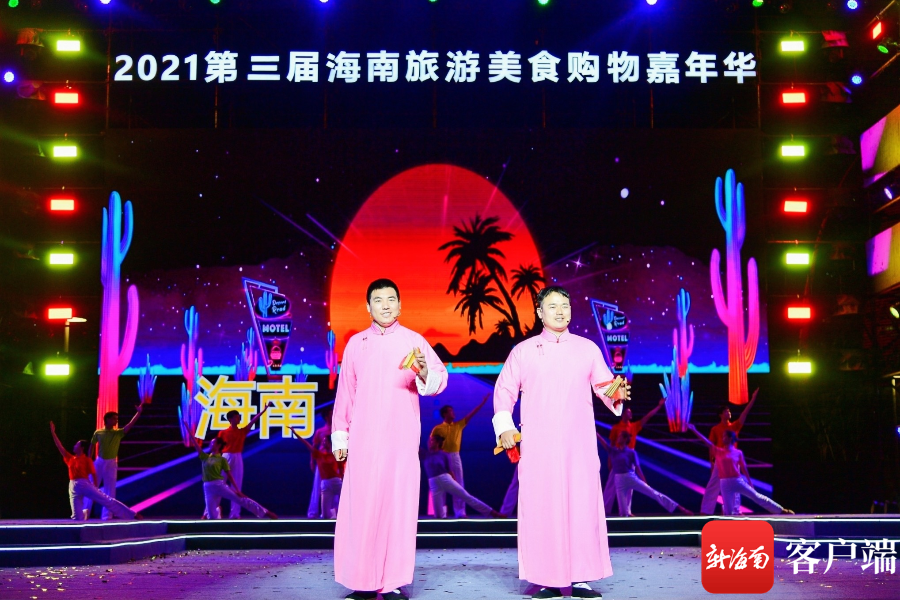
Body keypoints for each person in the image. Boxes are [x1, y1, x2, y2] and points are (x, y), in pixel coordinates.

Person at [494, 286, 629, 600]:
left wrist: (617, 393)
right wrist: (505, 426)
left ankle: (580, 578)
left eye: (565, 305)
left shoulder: (587, 349)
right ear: (540, 312)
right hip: (538, 448)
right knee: (541, 509)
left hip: (578, 446)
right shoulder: (523, 351)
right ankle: (546, 579)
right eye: (552, 306)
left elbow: (606, 388)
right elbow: (504, 391)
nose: (559, 311)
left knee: (582, 507)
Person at [331, 278, 448, 600]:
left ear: (400, 305)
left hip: (401, 440)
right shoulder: (356, 344)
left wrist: (424, 372)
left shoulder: (414, 341)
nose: (385, 305)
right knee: (362, 508)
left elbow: (440, 379)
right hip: (364, 440)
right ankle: (362, 582)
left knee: (399, 507)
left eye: (391, 299)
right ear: (368, 307)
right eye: (378, 300)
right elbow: (346, 394)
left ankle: (393, 582)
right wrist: (341, 438)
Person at [687, 424, 793, 516]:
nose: (722, 438)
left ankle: (781, 510)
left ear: (730, 439)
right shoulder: (718, 451)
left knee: (757, 497)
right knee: (728, 512)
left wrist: (750, 482)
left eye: (724, 436)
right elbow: (707, 442)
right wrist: (694, 430)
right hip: (725, 484)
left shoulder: (738, 453)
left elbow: (743, 468)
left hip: (737, 481)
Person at [50, 421, 139, 521]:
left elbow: (93, 474)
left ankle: (131, 514)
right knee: (77, 518)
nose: (74, 446)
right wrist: (53, 432)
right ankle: (84, 513)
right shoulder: (70, 458)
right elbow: (59, 446)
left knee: (106, 500)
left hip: (84, 484)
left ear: (82, 448)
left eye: (76, 445)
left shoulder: (87, 460)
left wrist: (95, 488)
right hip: (73, 486)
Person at [203, 402, 273, 519]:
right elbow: (216, 446)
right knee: (218, 483)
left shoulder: (242, 431)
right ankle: (208, 512)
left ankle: (235, 513)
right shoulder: (223, 432)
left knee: (237, 486)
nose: (239, 418)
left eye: (239, 417)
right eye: (236, 417)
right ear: (230, 419)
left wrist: (264, 410)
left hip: (237, 456)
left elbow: (253, 421)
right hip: (225, 457)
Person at [597, 431, 691, 517]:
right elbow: (603, 442)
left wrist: (645, 482)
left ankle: (680, 508)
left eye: (620, 436)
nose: (617, 438)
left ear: (625, 439)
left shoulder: (631, 452)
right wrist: (596, 433)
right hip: (619, 480)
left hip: (630, 477)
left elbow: (638, 469)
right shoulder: (613, 451)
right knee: (623, 513)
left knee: (654, 493)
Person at [700, 388, 759, 515]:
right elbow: (711, 447)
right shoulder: (715, 429)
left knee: (736, 484)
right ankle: (706, 510)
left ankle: (735, 510)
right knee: (713, 485)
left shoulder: (734, 426)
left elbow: (744, 413)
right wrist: (712, 463)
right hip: (720, 460)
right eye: (726, 411)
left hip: (733, 460)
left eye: (729, 411)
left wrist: (753, 399)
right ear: (721, 415)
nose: (729, 413)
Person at [603, 397, 667, 515]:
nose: (630, 414)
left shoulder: (634, 426)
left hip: (629, 457)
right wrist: (610, 461)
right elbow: (611, 446)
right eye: (628, 412)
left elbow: (647, 417)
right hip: (618, 457)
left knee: (630, 485)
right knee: (611, 484)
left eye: (630, 412)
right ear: (623, 414)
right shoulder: (616, 428)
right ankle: (605, 509)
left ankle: (627, 510)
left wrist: (659, 406)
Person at [429, 393, 489, 518]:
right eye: (451, 411)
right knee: (441, 485)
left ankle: (460, 511)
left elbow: (471, 414)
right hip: (442, 458)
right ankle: (441, 512)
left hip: (455, 457)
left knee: (459, 484)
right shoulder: (437, 428)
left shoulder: (458, 425)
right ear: (445, 414)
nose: (453, 413)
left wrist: (483, 402)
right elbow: (431, 443)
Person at [190, 435, 277, 520]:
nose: (210, 445)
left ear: (218, 445)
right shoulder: (205, 457)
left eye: (213, 443)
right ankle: (218, 510)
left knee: (241, 500)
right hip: (207, 487)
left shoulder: (222, 459)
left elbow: (229, 475)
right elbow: (196, 445)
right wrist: (188, 430)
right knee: (212, 517)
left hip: (219, 485)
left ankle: (265, 512)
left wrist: (237, 490)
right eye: (210, 443)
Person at [84, 401, 145, 520]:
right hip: (99, 462)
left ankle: (107, 516)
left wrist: (138, 413)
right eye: (114, 419)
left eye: (117, 419)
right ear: (107, 420)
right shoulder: (98, 432)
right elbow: (92, 446)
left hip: (111, 463)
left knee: (110, 490)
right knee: (91, 488)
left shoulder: (118, 433)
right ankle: (84, 513)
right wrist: (89, 460)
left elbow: (130, 425)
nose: (116, 421)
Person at [423, 434, 503, 519]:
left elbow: (450, 470)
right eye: (429, 441)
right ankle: (443, 519)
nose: (429, 442)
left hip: (445, 479)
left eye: (432, 440)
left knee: (466, 496)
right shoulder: (425, 454)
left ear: (438, 443)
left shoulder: (444, 455)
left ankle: (492, 512)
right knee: (438, 515)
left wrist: (455, 482)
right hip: (433, 483)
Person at [292, 427, 344, 518]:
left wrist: (344, 482)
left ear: (330, 443)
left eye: (325, 441)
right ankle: (334, 512)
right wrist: (295, 433)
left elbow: (341, 469)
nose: (323, 443)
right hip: (325, 484)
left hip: (336, 482)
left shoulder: (336, 455)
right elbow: (306, 444)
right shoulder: (319, 454)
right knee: (325, 516)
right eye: (323, 441)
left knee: (346, 500)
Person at [307, 407, 334, 518]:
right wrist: (312, 461)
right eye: (330, 414)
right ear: (326, 416)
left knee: (335, 486)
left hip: (334, 461)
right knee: (317, 486)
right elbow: (314, 447)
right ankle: (313, 512)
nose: (332, 416)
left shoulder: (337, 429)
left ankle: (333, 512)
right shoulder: (320, 431)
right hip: (322, 461)